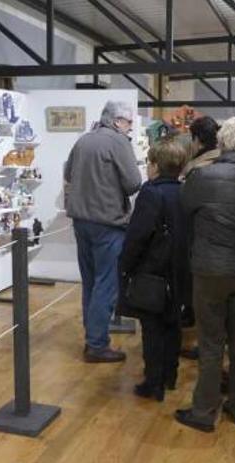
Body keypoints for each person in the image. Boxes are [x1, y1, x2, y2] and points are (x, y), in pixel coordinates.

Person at [175, 118, 235, 432]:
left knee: (211, 342)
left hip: (209, 269)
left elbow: (184, 211)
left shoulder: (202, 176)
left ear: (223, 142)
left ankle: (203, 411)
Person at [64, 101, 141, 363]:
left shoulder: (84, 140)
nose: (130, 128)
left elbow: (68, 172)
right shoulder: (119, 142)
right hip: (107, 223)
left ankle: (92, 338)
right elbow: (133, 183)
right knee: (106, 285)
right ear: (118, 121)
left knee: (91, 283)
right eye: (129, 123)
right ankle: (97, 344)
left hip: (81, 222)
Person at [116, 137, 191, 401]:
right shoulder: (185, 190)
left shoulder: (151, 192)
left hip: (153, 271)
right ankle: (170, 376)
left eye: (149, 162)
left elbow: (138, 235)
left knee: (153, 329)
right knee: (173, 325)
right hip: (179, 270)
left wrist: (125, 265)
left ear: (156, 165)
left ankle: (153, 382)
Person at [179, 115, 221, 361]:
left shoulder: (199, 168)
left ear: (196, 138)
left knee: (206, 296)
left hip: (202, 236)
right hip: (224, 239)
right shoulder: (220, 161)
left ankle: (207, 349)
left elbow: (188, 204)